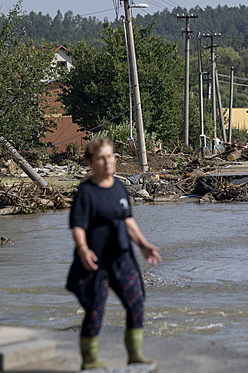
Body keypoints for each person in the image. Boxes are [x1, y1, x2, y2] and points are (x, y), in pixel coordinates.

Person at [66, 138, 162, 370]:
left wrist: (143, 244)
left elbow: (127, 220)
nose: (108, 162)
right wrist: (83, 250)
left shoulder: (119, 187)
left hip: (122, 258)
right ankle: (89, 361)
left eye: (110, 156)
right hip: (96, 261)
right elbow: (78, 226)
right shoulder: (86, 193)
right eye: (101, 158)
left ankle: (135, 354)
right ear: (90, 162)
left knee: (136, 301)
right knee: (96, 308)